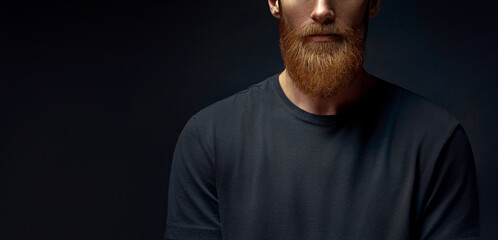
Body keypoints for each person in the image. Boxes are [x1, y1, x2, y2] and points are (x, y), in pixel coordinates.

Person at [165, 0, 480, 239]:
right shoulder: (209, 140)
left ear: (373, 2)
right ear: (274, 1)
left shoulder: (437, 142)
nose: (322, 11)